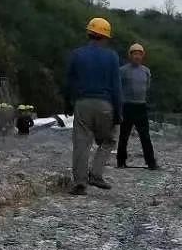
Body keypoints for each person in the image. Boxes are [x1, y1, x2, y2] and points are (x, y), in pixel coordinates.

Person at [65, 17, 122, 195]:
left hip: (82, 104)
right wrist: (118, 112)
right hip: (105, 104)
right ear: (106, 37)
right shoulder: (112, 56)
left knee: (82, 142)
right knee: (109, 140)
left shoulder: (77, 54)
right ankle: (96, 174)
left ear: (89, 33)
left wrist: (67, 103)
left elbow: (69, 82)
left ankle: (80, 183)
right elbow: (116, 86)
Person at [116, 43, 158, 170]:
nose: (137, 56)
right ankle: (121, 161)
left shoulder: (146, 71)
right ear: (130, 55)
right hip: (127, 105)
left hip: (141, 106)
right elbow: (118, 88)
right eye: (135, 54)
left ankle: (151, 162)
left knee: (145, 136)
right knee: (124, 135)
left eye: (139, 54)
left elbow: (148, 86)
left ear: (143, 56)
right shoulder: (122, 71)